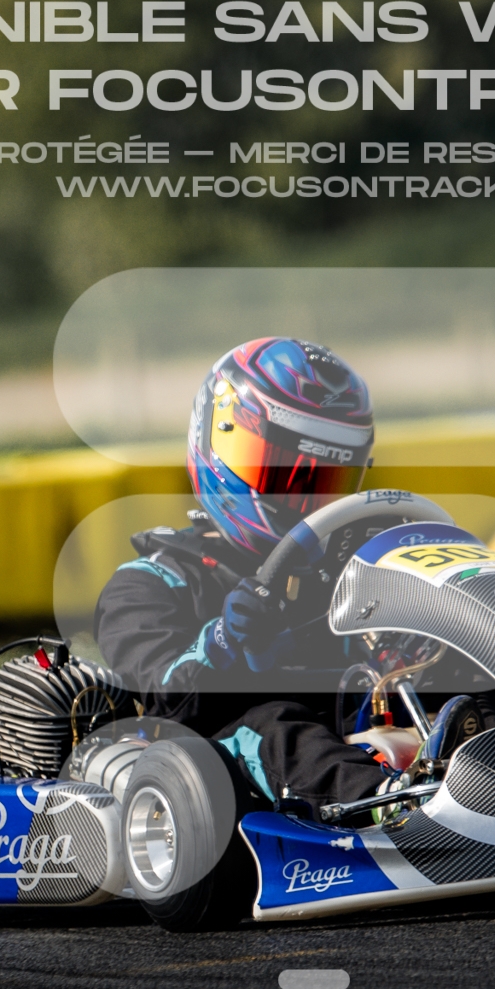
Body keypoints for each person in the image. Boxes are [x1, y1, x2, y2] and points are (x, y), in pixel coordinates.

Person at [94, 336, 435, 815]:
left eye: (324, 482)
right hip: (224, 762)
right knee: (274, 724)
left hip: (355, 725)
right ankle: (392, 811)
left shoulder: (350, 565)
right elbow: (166, 702)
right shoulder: (148, 583)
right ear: (220, 442)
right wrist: (222, 640)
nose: (305, 503)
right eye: (285, 477)